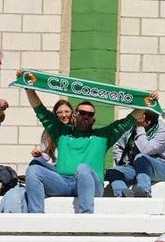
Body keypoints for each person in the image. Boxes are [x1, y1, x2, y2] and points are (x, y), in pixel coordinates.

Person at [22, 86, 154, 214]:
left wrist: (147, 103)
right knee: (34, 170)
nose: (85, 116)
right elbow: (40, 110)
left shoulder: (103, 136)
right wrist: (28, 87)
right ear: (75, 115)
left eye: (89, 114)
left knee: (83, 168)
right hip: (63, 182)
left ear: (93, 119)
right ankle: (36, 216)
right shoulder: (61, 132)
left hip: (92, 185)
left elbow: (129, 120)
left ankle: (86, 216)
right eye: (82, 113)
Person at [104, 109, 165, 198]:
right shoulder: (131, 127)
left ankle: (144, 191)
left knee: (141, 157)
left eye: (140, 118)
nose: (136, 120)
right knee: (113, 171)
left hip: (162, 169)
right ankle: (122, 194)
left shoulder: (161, 131)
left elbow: (145, 150)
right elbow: (119, 146)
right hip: (135, 167)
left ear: (148, 122)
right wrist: (121, 163)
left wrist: (140, 128)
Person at [31, 98, 73, 164]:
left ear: (72, 113)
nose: (64, 115)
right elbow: (47, 156)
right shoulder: (49, 132)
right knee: (35, 163)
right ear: (55, 115)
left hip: (72, 167)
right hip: (55, 167)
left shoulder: (77, 130)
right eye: (60, 112)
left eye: (67, 112)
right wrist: (40, 154)